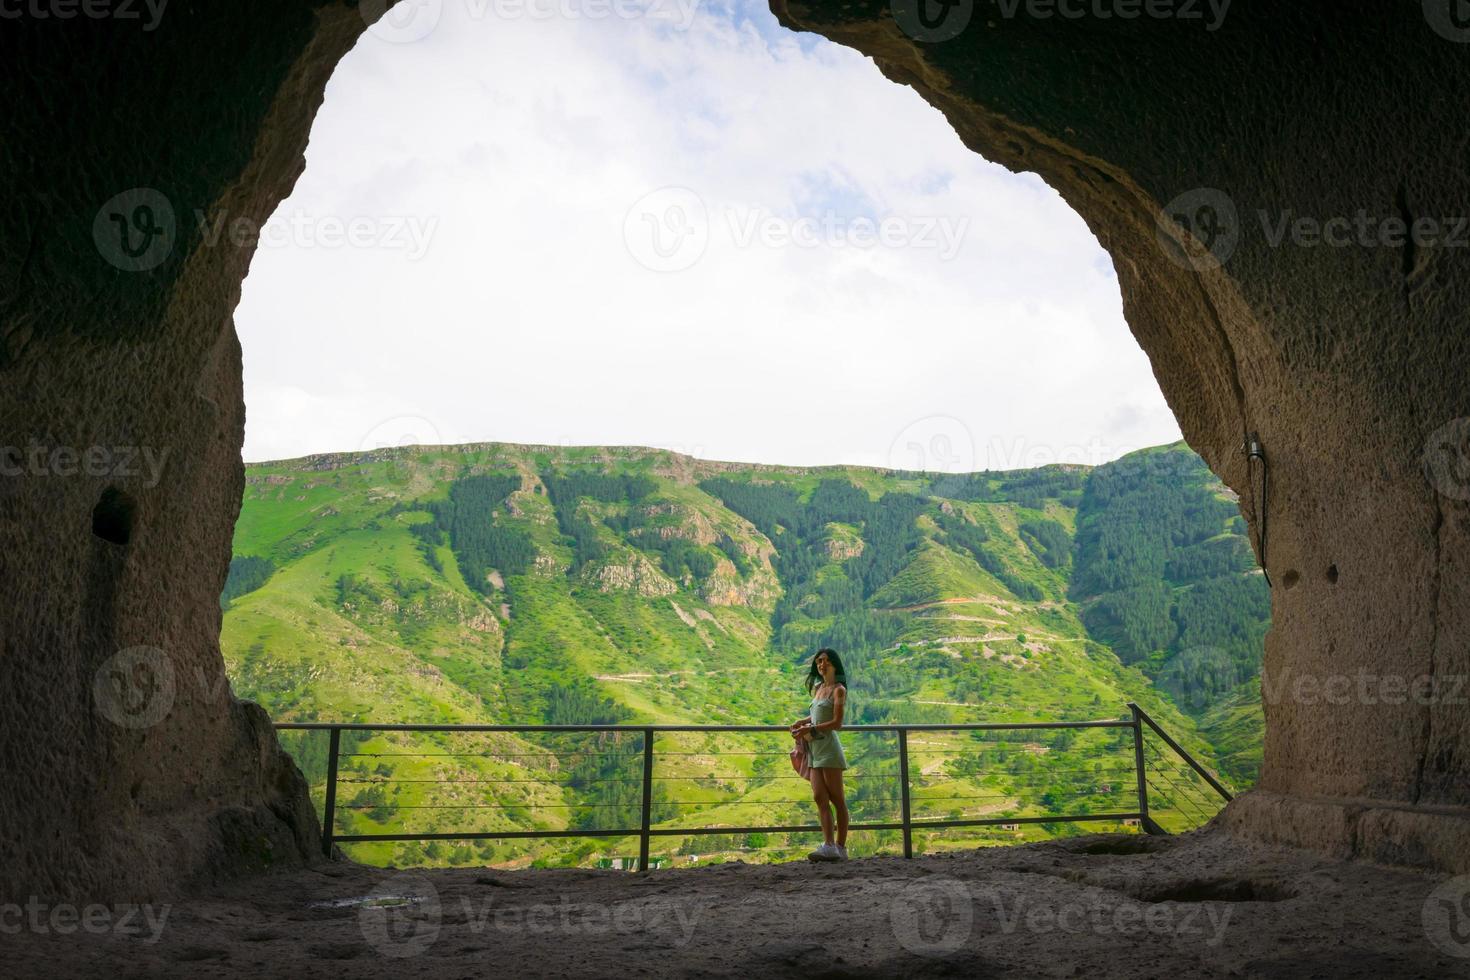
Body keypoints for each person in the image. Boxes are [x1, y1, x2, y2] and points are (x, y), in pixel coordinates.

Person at [790, 647, 849, 862]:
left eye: (824, 661)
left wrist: (811, 730)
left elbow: (837, 723)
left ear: (834, 664)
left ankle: (840, 847)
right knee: (819, 797)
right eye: (818, 663)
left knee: (837, 799)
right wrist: (803, 722)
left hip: (829, 750)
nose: (821, 665)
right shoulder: (819, 688)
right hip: (814, 750)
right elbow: (816, 714)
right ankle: (828, 845)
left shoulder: (838, 690)